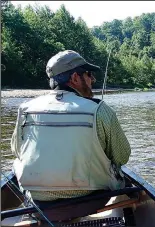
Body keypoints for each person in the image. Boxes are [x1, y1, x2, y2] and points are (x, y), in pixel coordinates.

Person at [10, 50, 132, 220]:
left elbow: (17, 151)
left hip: (40, 202)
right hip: (91, 200)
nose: (93, 80)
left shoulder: (25, 109)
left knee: (16, 163)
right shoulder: (100, 110)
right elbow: (122, 156)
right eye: (88, 74)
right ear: (75, 77)